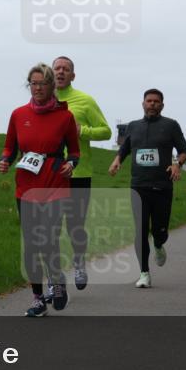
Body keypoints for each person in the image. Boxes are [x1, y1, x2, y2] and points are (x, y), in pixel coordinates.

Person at [0, 63, 80, 317]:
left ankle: (56, 280)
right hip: (26, 185)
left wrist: (71, 164)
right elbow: (10, 147)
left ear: (51, 86)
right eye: (33, 83)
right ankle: (36, 298)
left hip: (55, 183)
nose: (37, 88)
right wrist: (5, 160)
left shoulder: (65, 117)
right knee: (32, 244)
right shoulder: (18, 114)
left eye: (42, 83)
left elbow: (74, 152)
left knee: (48, 241)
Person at [108, 89, 186, 288]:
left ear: (162, 105)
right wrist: (117, 160)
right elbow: (125, 148)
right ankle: (144, 272)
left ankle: (159, 243)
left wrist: (177, 164)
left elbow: (184, 150)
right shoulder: (133, 126)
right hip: (138, 186)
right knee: (140, 230)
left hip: (162, 186)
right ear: (143, 104)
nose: (152, 104)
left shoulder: (170, 125)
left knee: (160, 230)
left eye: (156, 101)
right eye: (149, 101)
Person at [51, 56, 111, 291]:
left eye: (66, 69)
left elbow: (106, 131)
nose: (61, 72)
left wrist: (82, 130)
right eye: (57, 68)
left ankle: (79, 263)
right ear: (51, 73)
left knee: (75, 226)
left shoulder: (85, 101)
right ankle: (55, 277)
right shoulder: (45, 101)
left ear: (73, 75)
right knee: (51, 228)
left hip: (78, 173)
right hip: (51, 175)